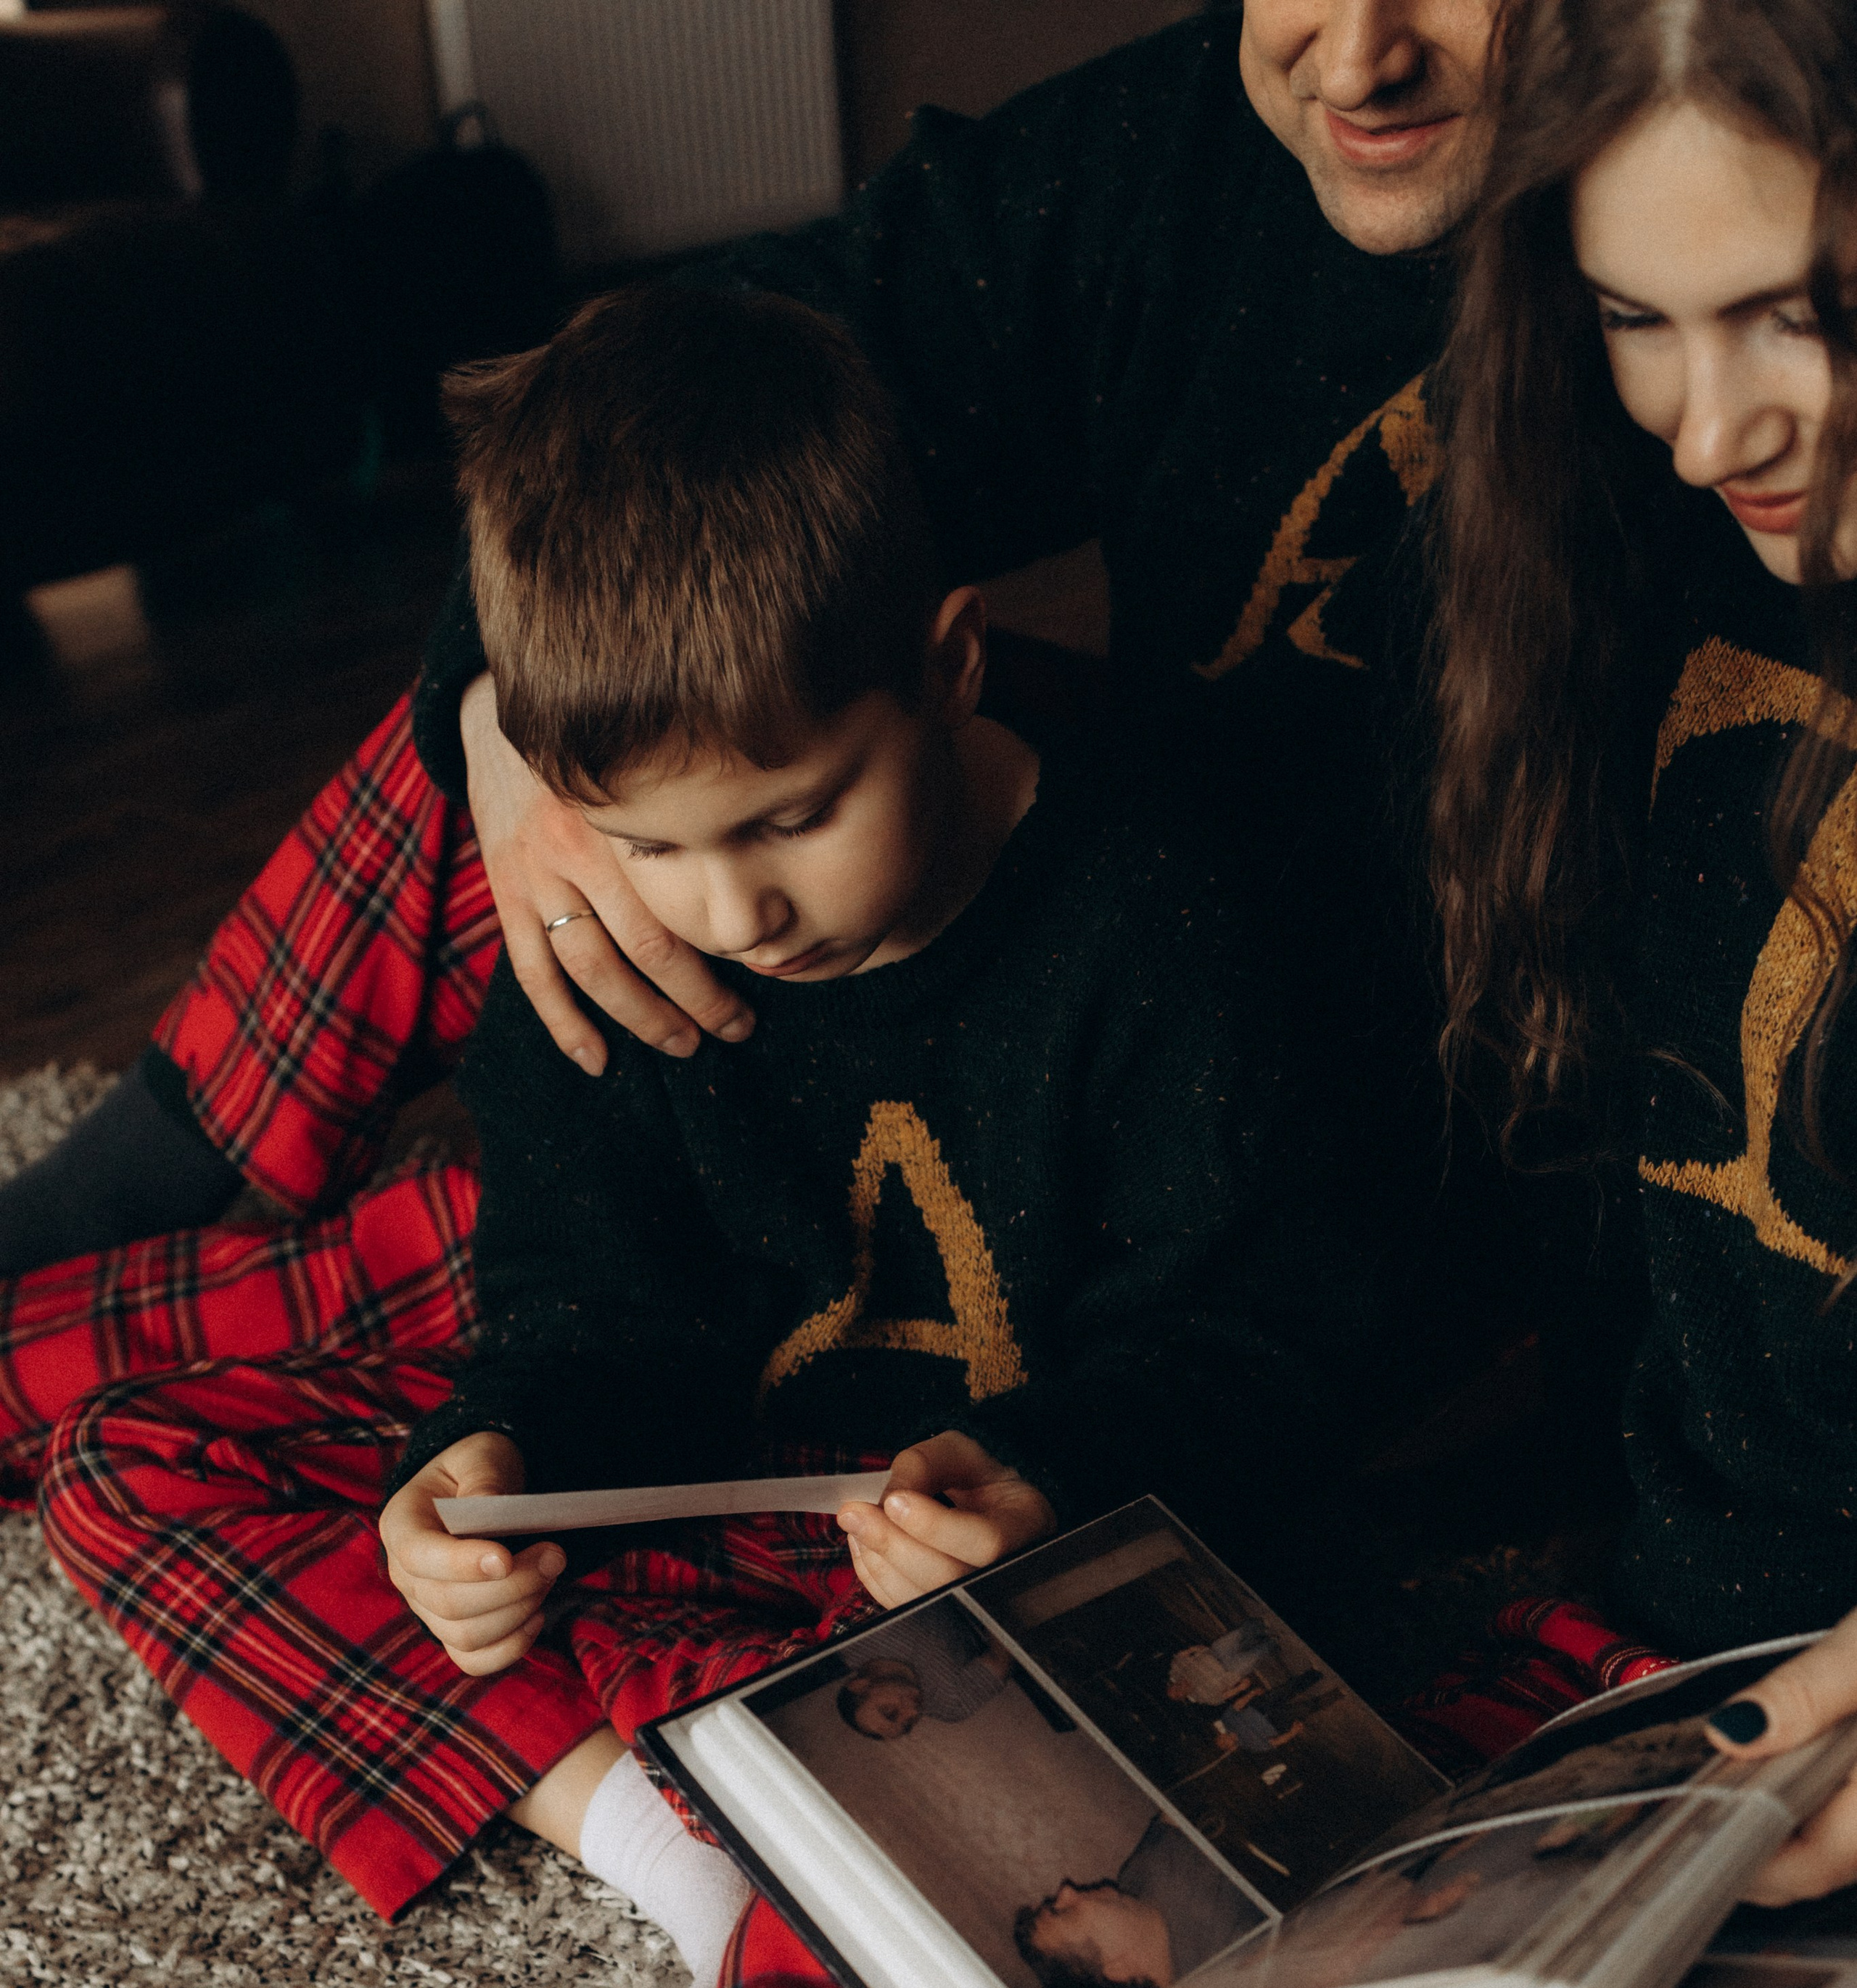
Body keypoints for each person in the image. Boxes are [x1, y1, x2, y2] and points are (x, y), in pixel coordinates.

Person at [696, 7, 1857, 1988]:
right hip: (1660, 1668)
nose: (1715, 419)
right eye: (1633, 320)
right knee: (854, 1982)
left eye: (1802, 309)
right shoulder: (1611, 543)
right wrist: (1110, 1487)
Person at [0, 4, 1507, 1536]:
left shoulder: (1656, 292)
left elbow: (1262, 1316)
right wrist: (500, 729)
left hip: (1220, 1021)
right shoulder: (1180, 144)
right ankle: (136, 1187)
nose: (1355, 55)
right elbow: (691, 371)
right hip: (851, 991)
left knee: (719, 832)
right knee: (607, 726)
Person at [38, 282, 1322, 1988]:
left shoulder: (1154, 912)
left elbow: (1262, 1336)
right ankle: (672, 1848)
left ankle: (787, 1826)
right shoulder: (606, 942)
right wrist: (491, 1464)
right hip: (705, 1524)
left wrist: (1052, 1472)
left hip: (988, 1577)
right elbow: (585, 1312)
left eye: (794, 816)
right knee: (127, 1457)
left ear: (952, 664)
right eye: (649, 843)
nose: (734, 910)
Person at [1013, 1810, 1260, 1988]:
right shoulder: (1233, 1963)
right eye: (1063, 1913)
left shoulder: (1133, 1878)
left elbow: (1191, 1796)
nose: (1066, 1891)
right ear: (1118, 1968)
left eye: (1053, 1902)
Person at [836, 1610, 1016, 1741]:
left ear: (860, 1685)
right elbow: (1001, 1657)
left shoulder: (853, 1641)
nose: (914, 1712)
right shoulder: (951, 1706)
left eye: (890, 1712)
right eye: (907, 1725)